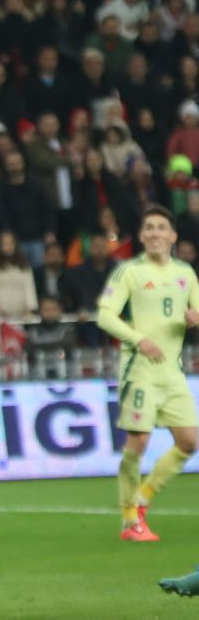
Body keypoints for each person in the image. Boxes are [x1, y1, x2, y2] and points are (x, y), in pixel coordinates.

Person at [97, 205, 199, 542]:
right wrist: (138, 339)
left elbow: (197, 307)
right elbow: (105, 316)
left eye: (161, 228)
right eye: (149, 228)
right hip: (139, 370)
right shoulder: (130, 272)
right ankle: (129, 520)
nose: (155, 233)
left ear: (173, 236)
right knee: (138, 441)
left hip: (172, 371)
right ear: (142, 236)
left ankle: (143, 498)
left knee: (188, 442)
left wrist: (195, 317)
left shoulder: (186, 273)